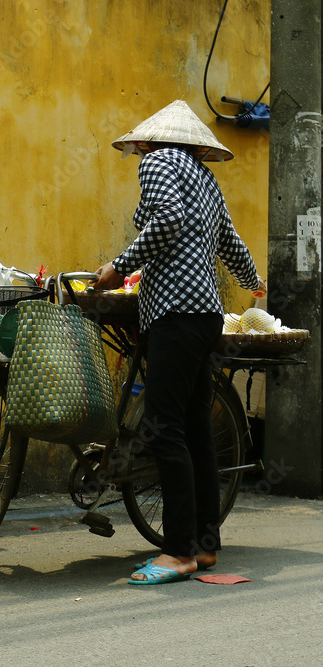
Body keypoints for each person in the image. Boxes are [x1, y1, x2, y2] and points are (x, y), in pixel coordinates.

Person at [93, 100, 266, 585]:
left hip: (175, 313)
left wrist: (118, 268)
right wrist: (254, 281)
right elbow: (229, 240)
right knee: (194, 430)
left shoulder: (158, 162)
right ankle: (205, 547)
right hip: (206, 315)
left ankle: (177, 552)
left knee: (163, 427)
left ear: (147, 140)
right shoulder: (204, 178)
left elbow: (165, 221)